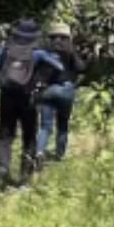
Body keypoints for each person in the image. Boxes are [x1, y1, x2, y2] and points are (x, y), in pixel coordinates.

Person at [0, 19, 64, 190]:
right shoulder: (38, 53)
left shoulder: (6, 50)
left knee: (5, 135)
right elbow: (59, 67)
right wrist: (44, 82)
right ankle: (25, 180)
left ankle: (3, 168)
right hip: (28, 100)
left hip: (7, 98)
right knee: (29, 137)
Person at [36, 22, 86, 165]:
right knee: (62, 125)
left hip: (47, 90)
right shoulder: (70, 52)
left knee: (45, 126)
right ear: (67, 37)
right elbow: (81, 68)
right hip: (65, 90)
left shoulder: (45, 51)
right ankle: (59, 156)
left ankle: (39, 152)